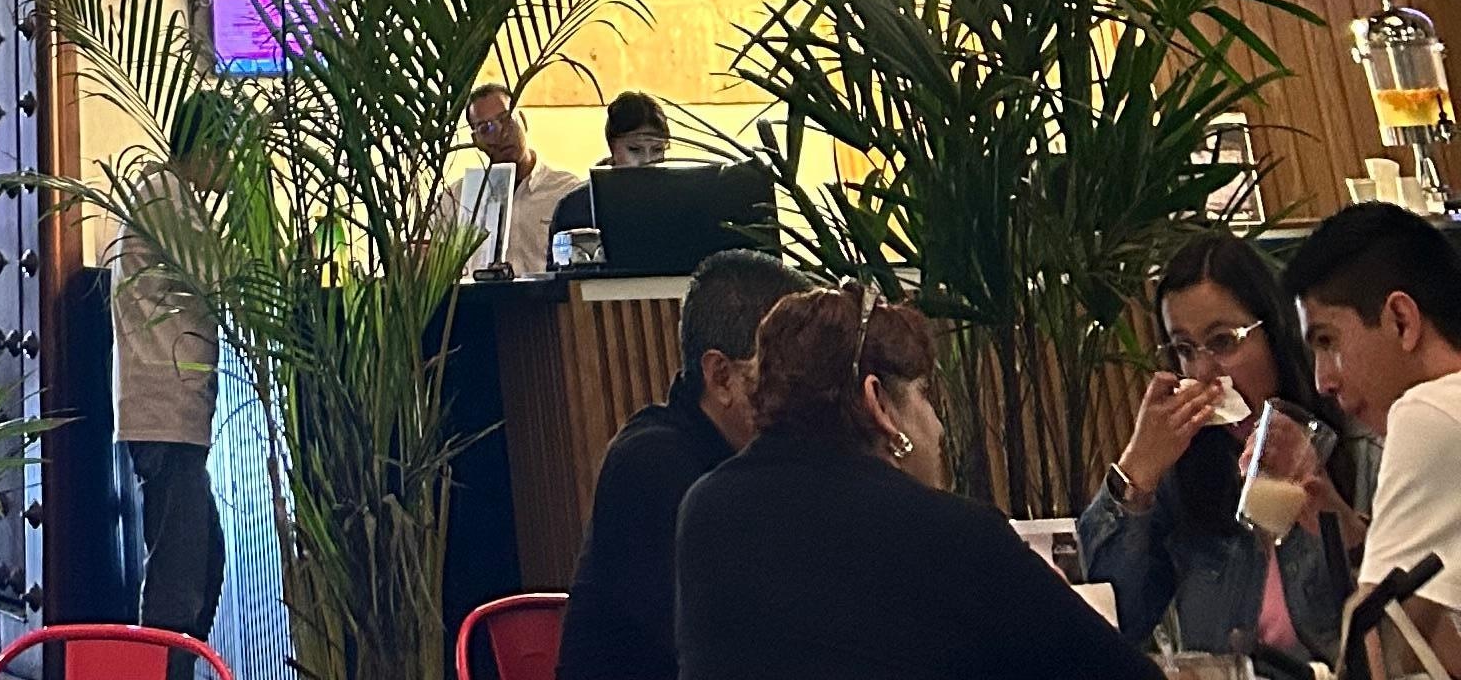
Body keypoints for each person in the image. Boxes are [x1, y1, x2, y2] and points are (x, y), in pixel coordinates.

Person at [675, 281, 1152, 679]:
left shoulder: (706, 509)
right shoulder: (954, 534)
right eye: (924, 394)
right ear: (878, 403)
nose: (938, 427)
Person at [1079, 227, 1362, 672]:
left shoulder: (1355, 444)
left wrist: (1334, 514)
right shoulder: (1182, 472)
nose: (1204, 371)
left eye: (1224, 341)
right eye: (1184, 349)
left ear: (1276, 332)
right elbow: (1113, 618)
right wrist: (1136, 472)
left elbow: (1409, 614)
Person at [558, 247, 796, 680]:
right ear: (721, 376)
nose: (807, 396)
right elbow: (726, 648)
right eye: (787, 376)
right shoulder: (652, 466)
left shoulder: (767, 458)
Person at [1289, 202, 1461, 673]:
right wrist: (1355, 535)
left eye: (1327, 341)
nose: (1322, 381)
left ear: (1401, 320)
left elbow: (1373, 650)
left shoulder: (1429, 412)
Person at [110, 97, 237, 654]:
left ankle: (172, 665)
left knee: (202, 564)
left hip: (171, 415)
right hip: (164, 413)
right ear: (207, 149)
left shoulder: (169, 194)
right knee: (177, 585)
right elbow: (221, 275)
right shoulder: (164, 195)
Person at [465, 80, 582, 282]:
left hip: (550, 299)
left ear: (524, 121)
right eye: (486, 128)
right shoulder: (458, 200)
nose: (502, 133)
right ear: (476, 140)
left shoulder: (567, 191)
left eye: (507, 119)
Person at [553, 92, 679, 261]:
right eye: (634, 149)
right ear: (612, 147)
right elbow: (561, 269)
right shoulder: (578, 205)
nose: (647, 160)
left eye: (657, 150)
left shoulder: (678, 201)